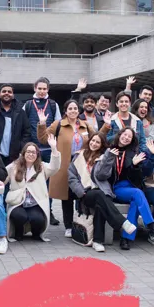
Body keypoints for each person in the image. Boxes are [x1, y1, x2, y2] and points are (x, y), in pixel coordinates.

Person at [38, 100, 99, 236]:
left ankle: (82, 222)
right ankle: (68, 226)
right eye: (70, 108)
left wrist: (106, 126)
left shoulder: (85, 126)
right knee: (67, 196)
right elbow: (42, 139)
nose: (73, 111)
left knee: (82, 193)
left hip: (82, 164)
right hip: (65, 164)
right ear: (65, 111)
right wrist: (42, 123)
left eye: (75, 108)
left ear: (79, 111)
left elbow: (98, 138)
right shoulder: (58, 124)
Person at [95, 128, 154, 250]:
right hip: (116, 188)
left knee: (135, 202)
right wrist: (109, 157)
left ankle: (126, 239)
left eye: (129, 137)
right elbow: (101, 175)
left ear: (132, 140)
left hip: (131, 188)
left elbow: (141, 175)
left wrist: (134, 166)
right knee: (138, 193)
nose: (126, 138)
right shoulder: (110, 150)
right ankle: (151, 225)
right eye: (124, 134)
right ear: (120, 135)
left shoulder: (133, 153)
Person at [69, 132, 137, 252]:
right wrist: (81, 192)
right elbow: (72, 178)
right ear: (89, 141)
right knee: (100, 196)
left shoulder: (104, 156)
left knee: (101, 203)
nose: (94, 144)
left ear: (101, 145)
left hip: (102, 192)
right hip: (86, 193)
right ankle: (122, 223)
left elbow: (102, 176)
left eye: (97, 142)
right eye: (93, 141)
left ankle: (97, 241)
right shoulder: (77, 156)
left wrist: (108, 158)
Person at [24, 77, 63, 225]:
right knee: (32, 181)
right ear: (35, 88)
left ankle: (48, 210)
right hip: (32, 150)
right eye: (39, 88)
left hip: (48, 149)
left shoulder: (53, 104)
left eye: (44, 89)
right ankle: (31, 209)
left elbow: (58, 123)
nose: (41, 91)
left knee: (48, 184)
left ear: (48, 89)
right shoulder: (28, 105)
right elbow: (24, 124)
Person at [6, 139, 61, 242]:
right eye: (28, 152)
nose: (31, 154)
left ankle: (36, 233)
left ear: (37, 155)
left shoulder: (42, 167)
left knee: (38, 219)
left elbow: (55, 167)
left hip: (34, 204)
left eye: (33, 152)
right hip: (18, 203)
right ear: (23, 153)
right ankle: (18, 231)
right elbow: (2, 175)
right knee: (19, 216)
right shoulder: (14, 166)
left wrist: (54, 148)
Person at [0, 84, 31, 166]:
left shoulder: (20, 111)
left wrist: (20, 148)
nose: (7, 93)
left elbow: (26, 131)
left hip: (14, 156)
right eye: (4, 91)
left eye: (9, 92)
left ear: (13, 95)